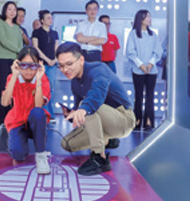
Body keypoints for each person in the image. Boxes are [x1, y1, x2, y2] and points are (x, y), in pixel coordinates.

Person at [56, 42, 136, 176]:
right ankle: (108, 139)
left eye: (69, 64)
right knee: (67, 143)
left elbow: (96, 94)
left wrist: (83, 108)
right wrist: (71, 114)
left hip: (124, 119)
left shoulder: (99, 69)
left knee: (88, 106)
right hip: (101, 120)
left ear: (81, 60)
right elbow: (80, 111)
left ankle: (100, 159)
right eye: (61, 66)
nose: (65, 69)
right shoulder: (75, 82)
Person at [2, 47, 51, 174]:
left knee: (38, 112)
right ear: (17, 64)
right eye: (24, 65)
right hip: (17, 120)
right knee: (18, 155)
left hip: (34, 120)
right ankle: (16, 145)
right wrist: (14, 76)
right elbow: (4, 102)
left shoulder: (43, 78)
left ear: (38, 66)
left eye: (33, 66)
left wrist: (39, 79)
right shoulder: (12, 77)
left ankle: (41, 156)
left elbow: (38, 105)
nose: (28, 70)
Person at [125, 10, 163, 131]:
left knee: (150, 96)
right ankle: (137, 121)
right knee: (138, 96)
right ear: (140, 19)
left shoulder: (153, 35)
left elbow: (158, 51)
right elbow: (130, 52)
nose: (150, 19)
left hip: (152, 71)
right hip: (138, 71)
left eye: (150, 17)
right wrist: (141, 65)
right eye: (147, 17)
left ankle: (149, 121)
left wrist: (151, 64)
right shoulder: (133, 34)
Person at [0, 1, 23, 132]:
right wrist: (18, 50)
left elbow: (20, 43)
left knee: (14, 91)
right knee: (2, 89)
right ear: (5, 10)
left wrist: (20, 55)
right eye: (9, 9)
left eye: (14, 9)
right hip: (2, 60)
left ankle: (9, 120)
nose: (12, 11)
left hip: (15, 61)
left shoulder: (17, 27)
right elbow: (4, 41)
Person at [32, 10, 59, 121]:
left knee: (50, 88)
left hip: (53, 64)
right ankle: (41, 113)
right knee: (40, 88)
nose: (50, 20)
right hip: (41, 64)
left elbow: (57, 48)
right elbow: (36, 48)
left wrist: (55, 59)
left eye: (51, 18)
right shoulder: (36, 32)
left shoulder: (54, 33)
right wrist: (47, 59)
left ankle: (50, 114)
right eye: (48, 18)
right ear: (42, 20)